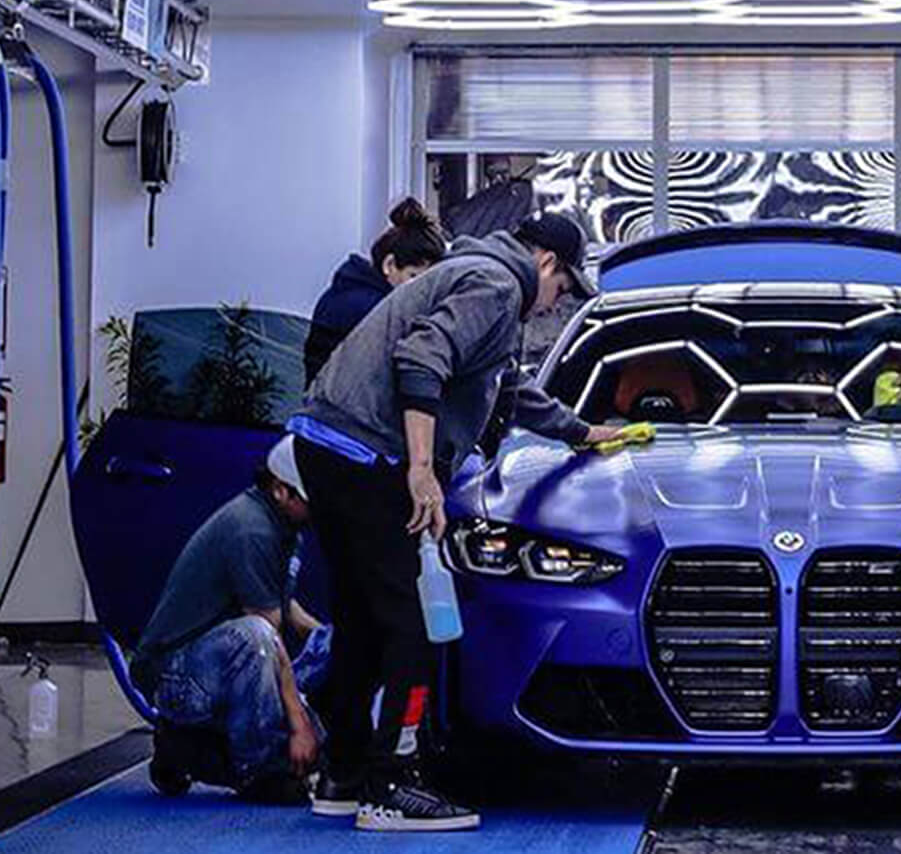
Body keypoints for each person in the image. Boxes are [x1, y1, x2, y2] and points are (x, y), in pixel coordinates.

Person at [288, 212, 620, 832]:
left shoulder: (471, 273)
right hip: (368, 452)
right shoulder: (496, 285)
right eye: (564, 288)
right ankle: (394, 783)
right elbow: (420, 359)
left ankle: (345, 775)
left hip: (327, 444)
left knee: (363, 614)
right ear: (546, 263)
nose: (556, 303)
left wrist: (582, 432)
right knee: (410, 623)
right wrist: (420, 470)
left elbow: (505, 389)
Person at [135, 437, 325, 803]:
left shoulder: (284, 526)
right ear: (281, 490)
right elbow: (267, 632)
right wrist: (299, 723)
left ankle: (194, 747)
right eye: (309, 499)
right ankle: (260, 770)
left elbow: (287, 608)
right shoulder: (251, 530)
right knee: (254, 638)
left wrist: (332, 639)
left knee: (330, 642)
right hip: (176, 675)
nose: (317, 510)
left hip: (218, 660)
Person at [305, 198, 447, 384]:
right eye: (414, 278)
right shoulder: (374, 310)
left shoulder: (350, 293)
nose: (423, 292)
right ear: (389, 265)